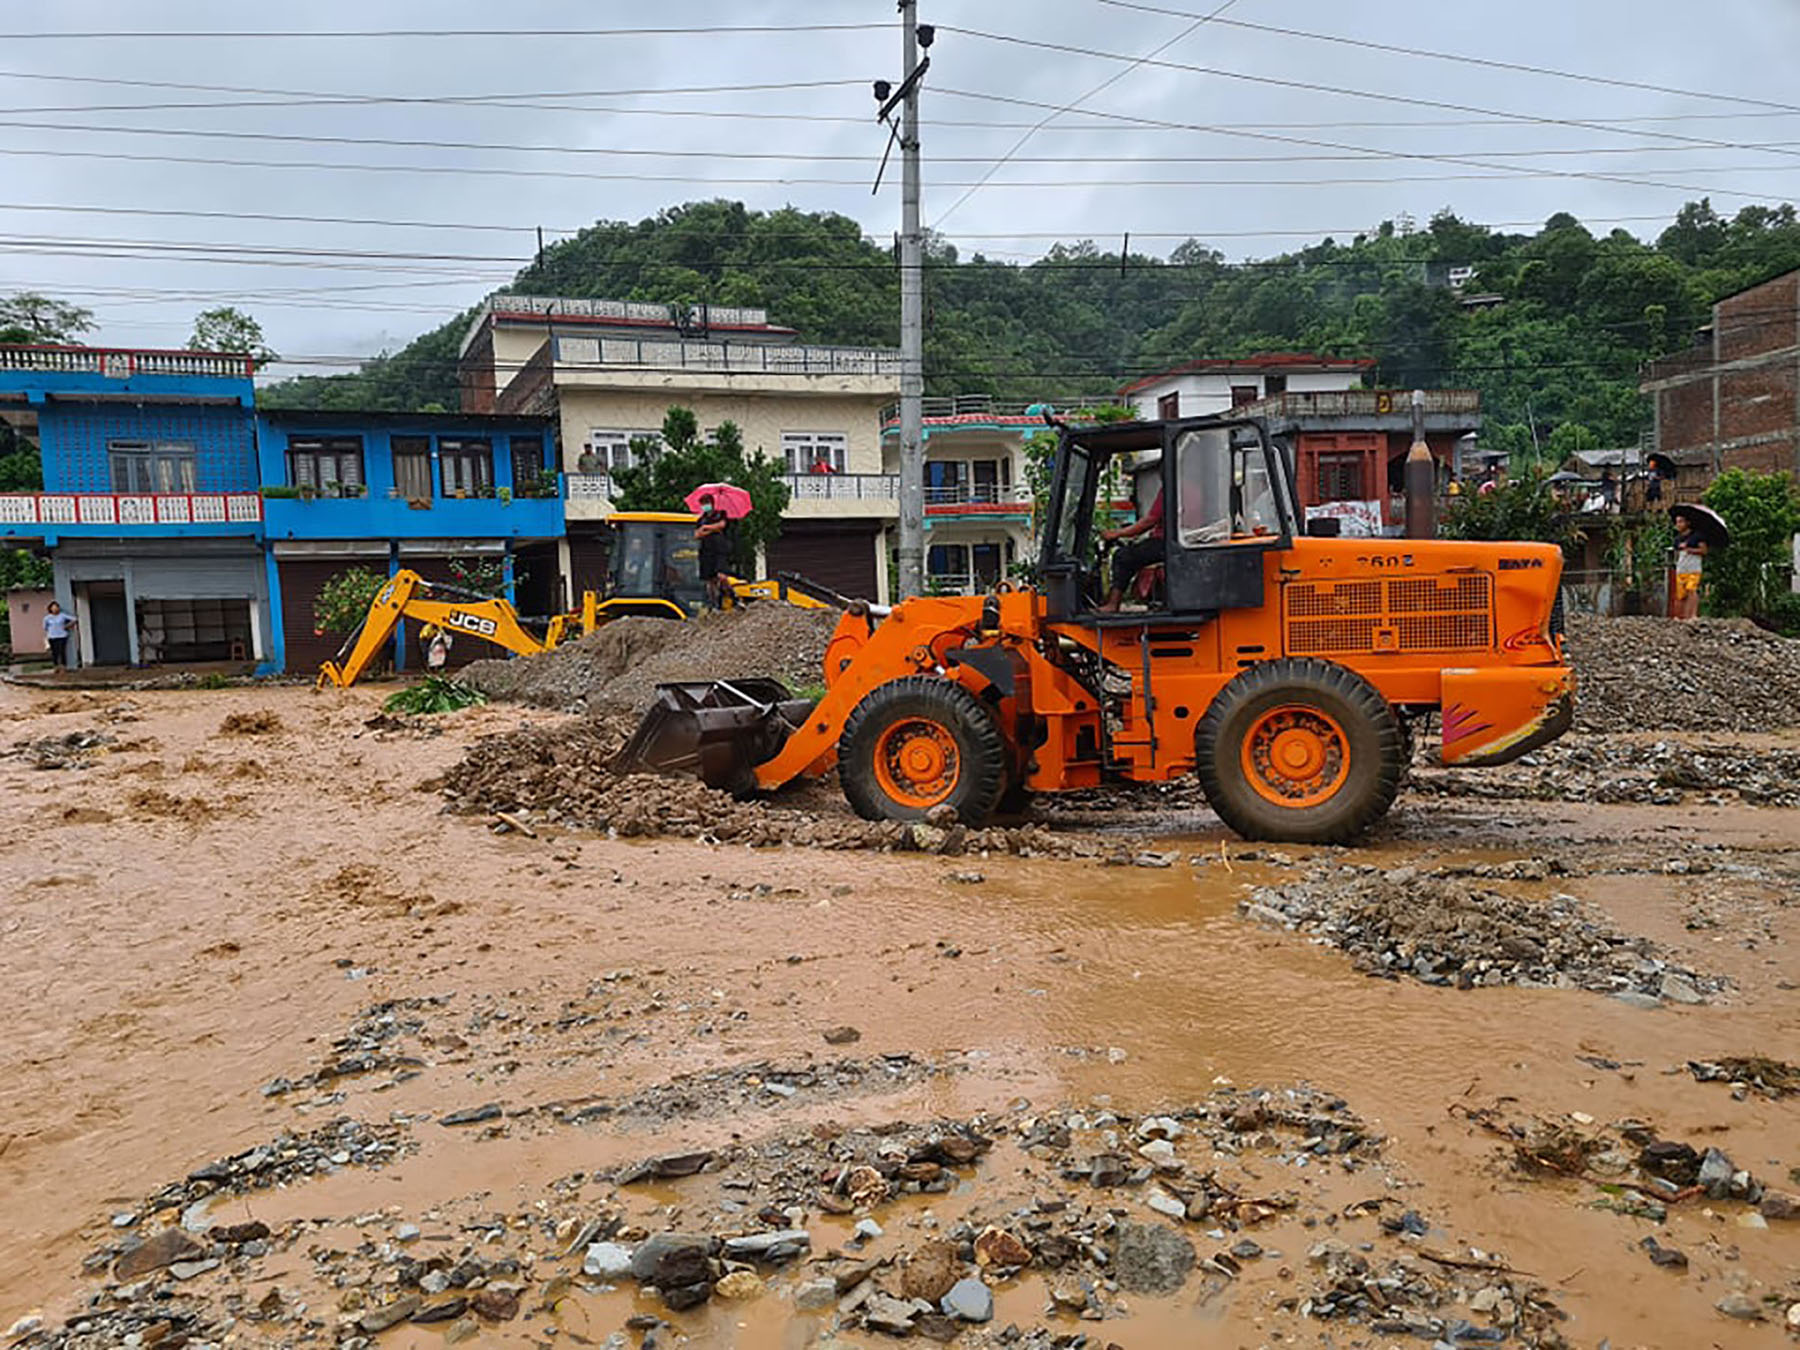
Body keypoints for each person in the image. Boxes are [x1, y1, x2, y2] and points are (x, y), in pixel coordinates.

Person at [1096, 488, 1164, 613]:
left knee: (1123, 556)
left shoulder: (1170, 490)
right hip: (1174, 541)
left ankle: (1113, 604)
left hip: (1165, 542)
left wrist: (1116, 533)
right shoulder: (1191, 488)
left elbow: (1149, 521)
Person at [694, 493, 732, 608]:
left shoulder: (720, 514)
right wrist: (710, 530)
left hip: (719, 549)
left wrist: (707, 528)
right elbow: (697, 534)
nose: (705, 506)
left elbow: (721, 525)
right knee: (710, 580)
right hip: (706, 550)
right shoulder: (701, 519)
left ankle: (732, 595)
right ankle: (713, 602)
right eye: (703, 504)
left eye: (706, 503)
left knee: (721, 576)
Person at [1672, 509, 1707, 621]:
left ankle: (1692, 615)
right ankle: (1681, 616)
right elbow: (1677, 552)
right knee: (1681, 594)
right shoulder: (1677, 539)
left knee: (1692, 590)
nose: (1678, 524)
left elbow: (1703, 550)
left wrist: (1689, 549)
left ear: (1688, 523)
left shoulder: (1697, 536)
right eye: (1677, 522)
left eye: (1681, 522)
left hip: (1693, 567)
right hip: (1681, 567)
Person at [42, 600, 76, 671]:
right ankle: (56, 666)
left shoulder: (62, 615)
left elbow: (74, 619)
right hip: (52, 637)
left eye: (56, 607)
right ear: (50, 609)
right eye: (53, 608)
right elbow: (45, 627)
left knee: (62, 651)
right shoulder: (47, 618)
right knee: (55, 652)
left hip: (62, 636)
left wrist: (67, 626)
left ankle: (63, 666)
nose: (55, 609)